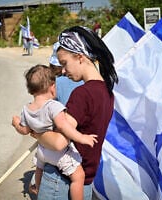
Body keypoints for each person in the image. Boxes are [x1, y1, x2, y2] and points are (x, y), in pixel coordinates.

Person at [30, 26, 118, 200]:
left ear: (79, 57)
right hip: (85, 180)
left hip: (60, 180)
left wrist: (34, 131)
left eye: (64, 63)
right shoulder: (108, 91)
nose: (62, 70)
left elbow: (58, 143)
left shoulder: (82, 93)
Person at [12, 64, 97, 200]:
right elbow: (63, 126)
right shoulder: (53, 106)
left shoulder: (26, 109)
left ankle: (38, 188)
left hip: (41, 152)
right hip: (57, 154)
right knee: (79, 176)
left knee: (39, 169)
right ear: (52, 87)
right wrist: (81, 137)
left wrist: (16, 123)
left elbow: (25, 130)